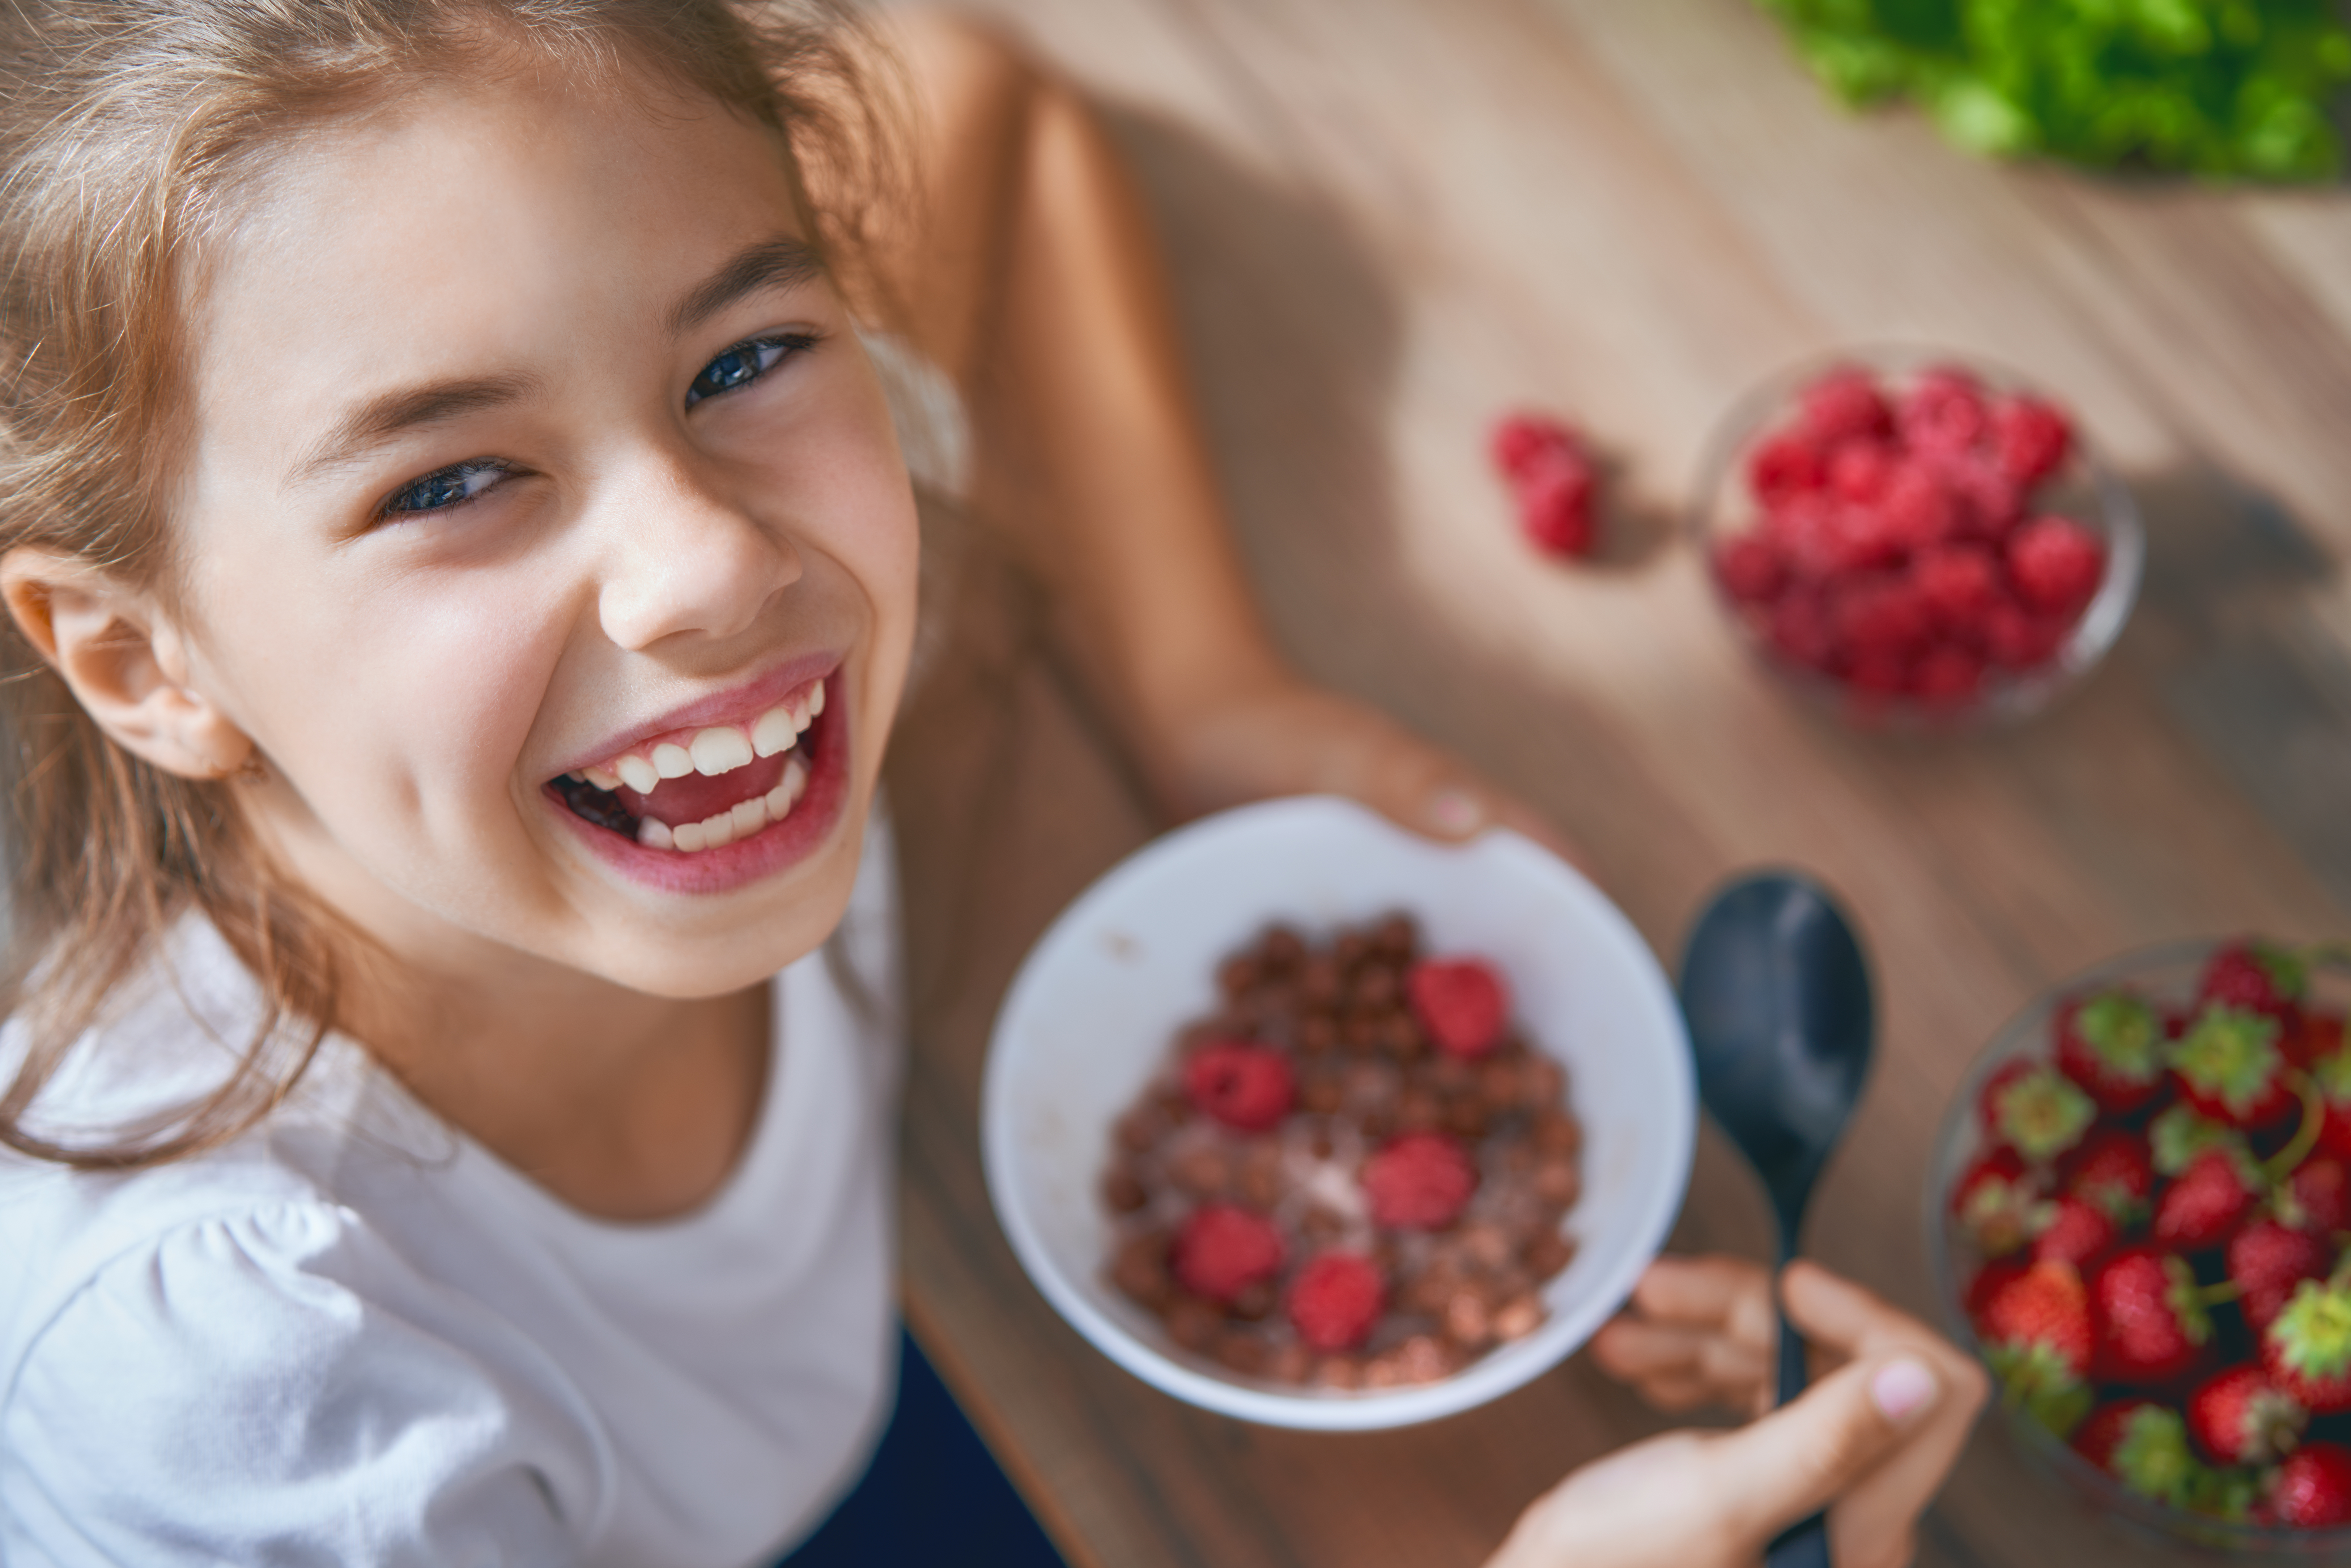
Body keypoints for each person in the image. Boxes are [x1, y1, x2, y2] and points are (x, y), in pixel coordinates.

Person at [0, 3, 1984, 1564]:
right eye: (446, 480)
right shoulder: (251, 1398)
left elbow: (988, 107)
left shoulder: (744, 627)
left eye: (745, 354)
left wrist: (1206, 687)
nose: (709, 564)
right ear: (137, 658)